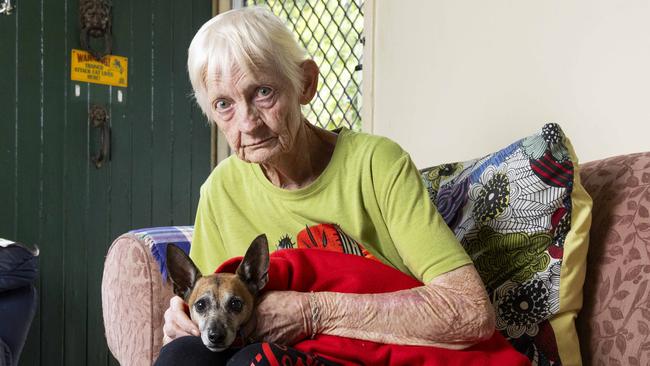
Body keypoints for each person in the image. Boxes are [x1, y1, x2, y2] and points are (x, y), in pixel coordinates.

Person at [156, 7, 495, 365]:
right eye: (224, 104)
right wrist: (179, 318)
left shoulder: (376, 164)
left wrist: (312, 311)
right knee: (182, 355)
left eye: (264, 92)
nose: (248, 123)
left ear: (305, 83)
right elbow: (211, 299)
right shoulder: (221, 190)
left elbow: (470, 310)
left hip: (374, 356)